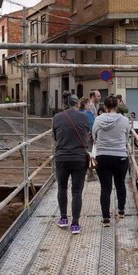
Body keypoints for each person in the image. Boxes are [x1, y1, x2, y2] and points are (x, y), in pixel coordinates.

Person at [52, 95, 91, 234]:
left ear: (65, 104)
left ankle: (63, 219)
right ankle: (75, 224)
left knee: (62, 188)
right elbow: (87, 133)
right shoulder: (84, 117)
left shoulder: (57, 117)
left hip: (61, 157)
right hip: (79, 157)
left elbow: (55, 136)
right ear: (77, 104)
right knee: (77, 191)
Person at [93, 95, 131, 227]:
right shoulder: (125, 120)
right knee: (120, 184)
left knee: (105, 188)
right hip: (120, 156)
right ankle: (121, 211)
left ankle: (106, 219)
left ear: (105, 107)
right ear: (117, 106)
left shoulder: (98, 119)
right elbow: (127, 136)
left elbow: (94, 136)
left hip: (102, 156)